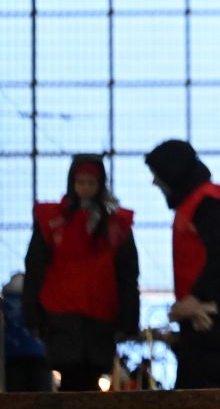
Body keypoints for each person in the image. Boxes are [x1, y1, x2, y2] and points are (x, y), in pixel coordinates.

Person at [143, 140, 220, 388]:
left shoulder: (204, 202)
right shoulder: (201, 201)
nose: (155, 182)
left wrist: (197, 297)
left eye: (157, 174)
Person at [22, 155, 137, 392]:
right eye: (81, 182)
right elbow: (35, 267)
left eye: (91, 183)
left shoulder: (113, 225)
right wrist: (32, 313)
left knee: (85, 378)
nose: (85, 188)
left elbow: (127, 273)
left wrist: (129, 317)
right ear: (73, 183)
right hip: (65, 315)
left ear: (100, 185)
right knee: (78, 378)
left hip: (95, 316)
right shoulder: (54, 220)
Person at [5, 271, 53, 393]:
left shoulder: (8, 297)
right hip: (41, 353)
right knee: (42, 396)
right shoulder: (41, 294)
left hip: (12, 355)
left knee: (16, 396)